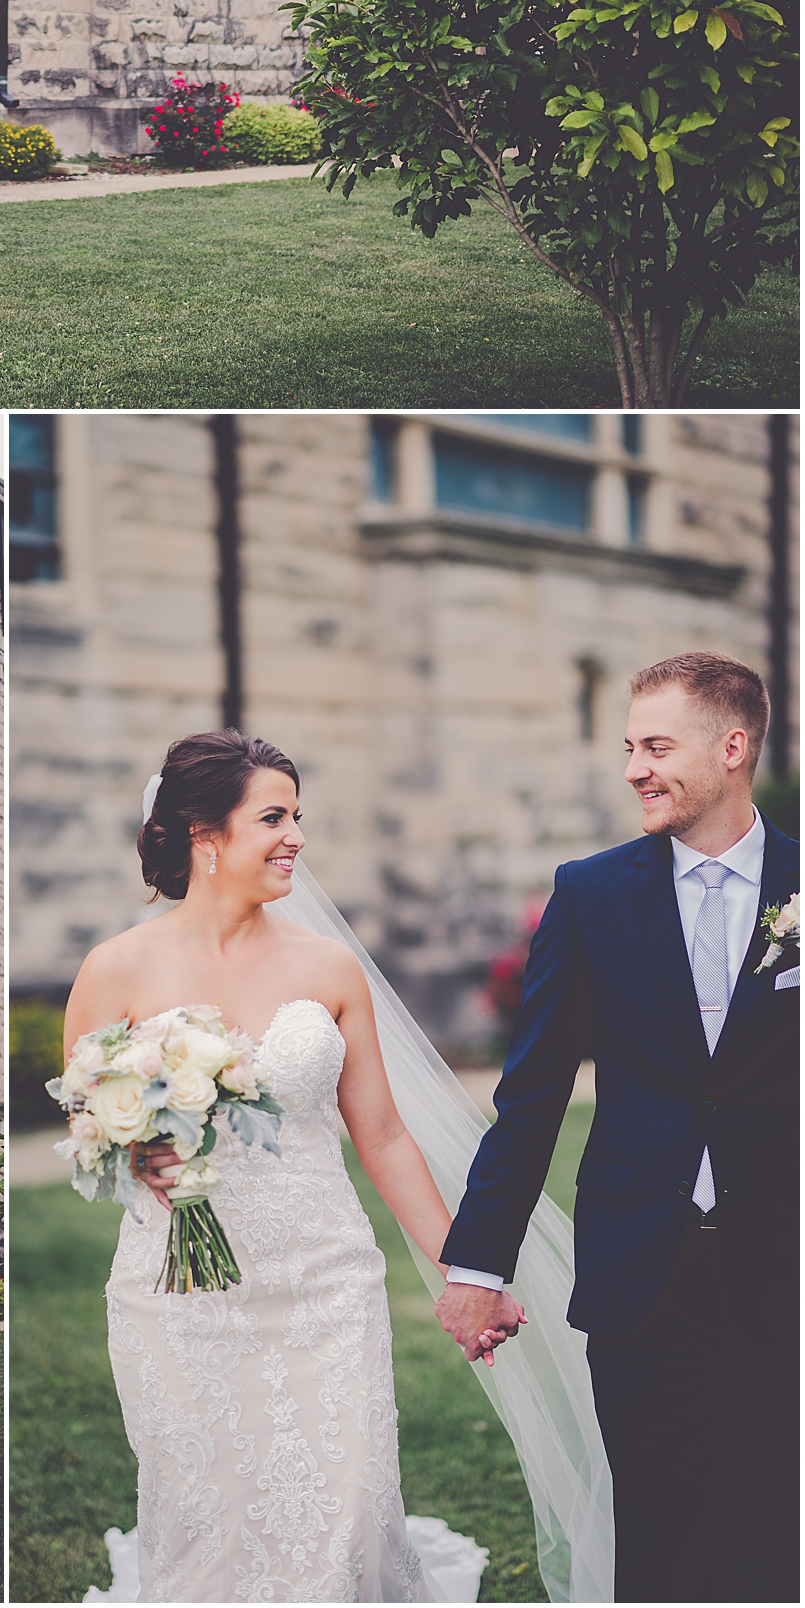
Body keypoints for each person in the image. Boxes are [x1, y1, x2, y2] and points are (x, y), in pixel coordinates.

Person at [63, 729, 493, 1604]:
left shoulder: (329, 966)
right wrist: (131, 1142)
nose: (296, 834)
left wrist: (466, 1266)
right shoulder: (115, 967)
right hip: (175, 1295)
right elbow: (83, 1111)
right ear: (203, 834)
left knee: (341, 1513)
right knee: (205, 1520)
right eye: (274, 816)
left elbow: (383, 1134)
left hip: (323, 1282)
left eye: (299, 815)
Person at [437, 653, 799, 1604]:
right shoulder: (592, 894)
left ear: (733, 746)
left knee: (777, 1526)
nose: (635, 767)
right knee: (659, 1531)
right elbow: (534, 1092)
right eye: (628, 747)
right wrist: (479, 1266)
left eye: (656, 745)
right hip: (644, 1267)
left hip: (786, 1259)